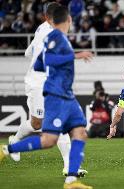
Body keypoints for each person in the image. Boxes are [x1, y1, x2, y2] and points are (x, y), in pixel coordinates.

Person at [0, 6, 93, 189]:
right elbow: (47, 59)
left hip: (61, 90)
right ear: (69, 20)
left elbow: (32, 55)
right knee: (45, 131)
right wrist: (75, 56)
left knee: (78, 130)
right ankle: (9, 147)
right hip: (43, 87)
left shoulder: (45, 30)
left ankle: (70, 176)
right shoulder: (53, 34)